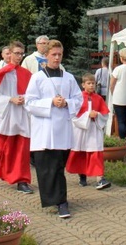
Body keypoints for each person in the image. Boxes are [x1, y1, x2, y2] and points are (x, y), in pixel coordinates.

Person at [24, 39, 83, 219]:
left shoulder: (69, 77)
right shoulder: (38, 78)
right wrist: (50, 102)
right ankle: (58, 201)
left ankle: (60, 200)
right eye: (53, 55)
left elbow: (78, 100)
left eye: (59, 55)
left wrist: (67, 102)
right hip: (44, 130)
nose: (57, 58)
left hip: (62, 129)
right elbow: (29, 102)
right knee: (47, 168)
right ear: (46, 56)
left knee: (58, 166)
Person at [0, 41, 33, 194]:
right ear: (10, 54)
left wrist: (24, 99)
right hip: (7, 115)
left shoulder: (27, 74)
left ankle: (22, 181)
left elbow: (33, 94)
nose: (19, 56)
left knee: (22, 149)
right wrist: (10, 99)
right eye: (16, 53)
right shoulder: (2, 73)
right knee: (2, 148)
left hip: (22, 115)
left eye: (21, 53)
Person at [66, 73, 112, 190]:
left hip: (93, 129)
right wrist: (87, 115)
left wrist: (97, 115)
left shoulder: (98, 98)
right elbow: (73, 115)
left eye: (93, 83)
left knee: (95, 153)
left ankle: (100, 178)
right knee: (81, 153)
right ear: (83, 85)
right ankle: (82, 175)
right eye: (89, 83)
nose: (91, 86)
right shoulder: (79, 98)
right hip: (81, 130)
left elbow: (105, 114)